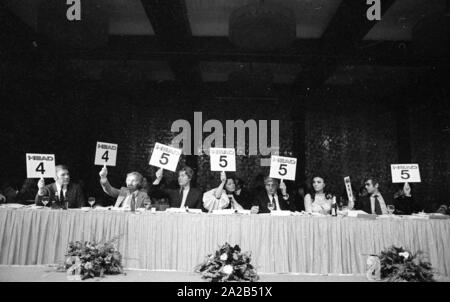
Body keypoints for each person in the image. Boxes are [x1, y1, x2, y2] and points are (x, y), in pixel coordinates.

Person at [350, 177, 418, 215]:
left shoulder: (389, 197)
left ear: (376, 185)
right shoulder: (363, 200)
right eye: (365, 185)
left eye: (368, 184)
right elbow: (355, 213)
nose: (366, 187)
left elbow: (406, 210)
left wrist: (407, 194)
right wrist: (351, 207)